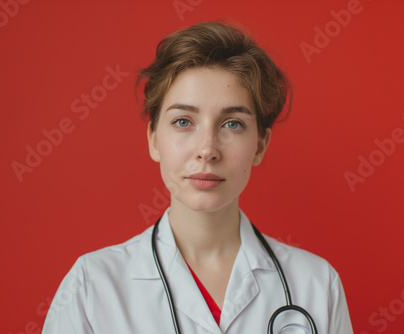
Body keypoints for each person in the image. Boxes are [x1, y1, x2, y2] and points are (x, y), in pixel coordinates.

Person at [42, 21, 353, 334]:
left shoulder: (316, 285)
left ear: (260, 146)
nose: (207, 150)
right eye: (183, 121)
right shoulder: (91, 286)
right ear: (153, 140)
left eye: (232, 124)